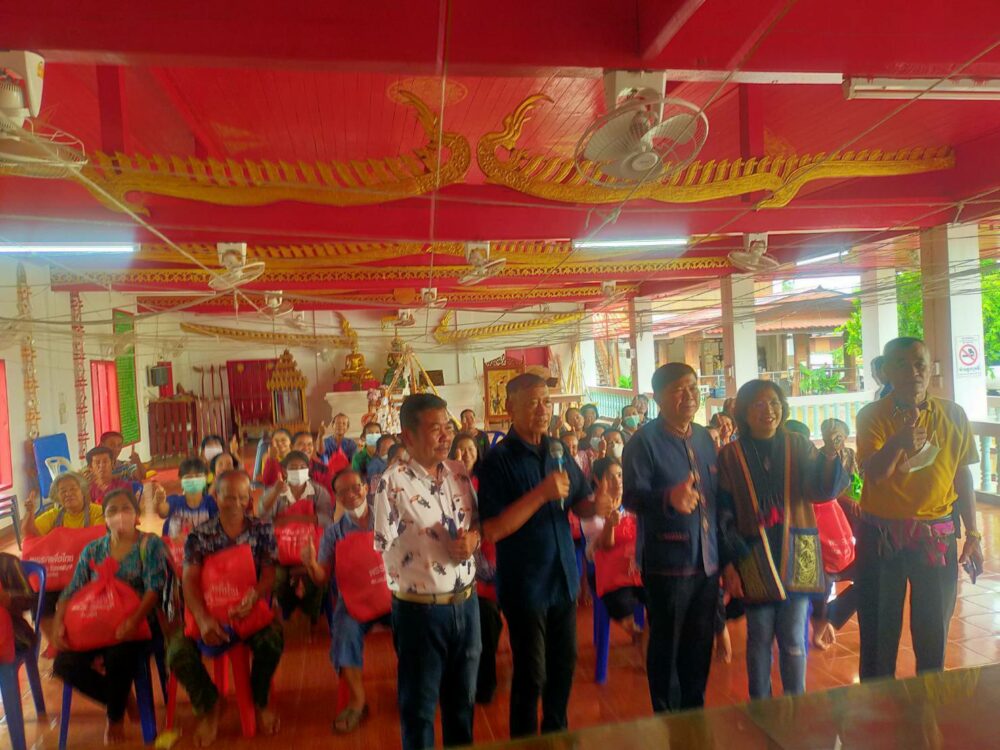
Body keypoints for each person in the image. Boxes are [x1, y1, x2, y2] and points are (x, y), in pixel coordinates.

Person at [478, 373, 607, 737]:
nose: (542, 410)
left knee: (564, 666)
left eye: (547, 402)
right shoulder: (497, 460)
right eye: (533, 402)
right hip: (525, 584)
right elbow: (493, 529)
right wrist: (541, 494)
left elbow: (579, 503)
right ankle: (523, 741)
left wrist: (599, 504)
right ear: (510, 407)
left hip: (563, 575)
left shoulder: (558, 451)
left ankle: (556, 732)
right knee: (532, 674)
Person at [854, 337, 982, 681]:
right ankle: (876, 705)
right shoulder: (872, 416)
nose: (913, 372)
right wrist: (898, 441)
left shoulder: (953, 414)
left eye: (920, 364)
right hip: (881, 535)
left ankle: (928, 705)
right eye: (902, 364)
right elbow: (875, 474)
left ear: (930, 369)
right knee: (878, 635)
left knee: (933, 632)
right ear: (885, 371)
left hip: (936, 536)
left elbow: (962, 475)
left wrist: (973, 533)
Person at [717, 380, 846, 700]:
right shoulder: (730, 455)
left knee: (793, 638)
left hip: (797, 552)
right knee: (759, 637)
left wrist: (830, 454)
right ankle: (761, 706)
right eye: (758, 404)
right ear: (744, 411)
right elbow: (723, 511)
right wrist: (729, 563)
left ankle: (795, 704)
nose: (768, 410)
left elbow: (821, 490)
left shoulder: (798, 445)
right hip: (753, 555)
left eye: (774, 403)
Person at [373, 393, 481, 750]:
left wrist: (473, 540)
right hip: (420, 612)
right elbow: (383, 546)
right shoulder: (392, 483)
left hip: (467, 605)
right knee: (419, 711)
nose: (446, 436)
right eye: (435, 429)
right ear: (409, 435)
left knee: (462, 705)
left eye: (447, 427)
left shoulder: (459, 473)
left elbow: (476, 525)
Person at [621, 363, 725, 712]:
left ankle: (693, 715)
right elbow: (631, 498)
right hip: (668, 564)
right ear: (658, 398)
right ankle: (667, 718)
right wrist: (669, 498)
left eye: (693, 387)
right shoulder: (643, 442)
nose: (689, 395)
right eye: (679, 389)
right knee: (667, 646)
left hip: (706, 561)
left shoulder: (703, 438)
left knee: (699, 646)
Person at [168, 470, 284, 747]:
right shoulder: (199, 535)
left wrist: (255, 595)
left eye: (243, 497)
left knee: (272, 640)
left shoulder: (261, 530)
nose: (236, 503)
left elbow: (269, 573)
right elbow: (189, 580)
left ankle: (259, 700)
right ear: (216, 497)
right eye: (229, 497)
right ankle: (210, 706)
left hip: (248, 609)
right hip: (209, 612)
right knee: (177, 652)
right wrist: (203, 619)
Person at [52, 487, 168, 746]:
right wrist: (59, 622)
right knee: (63, 664)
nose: (119, 515)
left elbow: (155, 588)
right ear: (104, 518)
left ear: (136, 515)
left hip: (139, 622)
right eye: (112, 511)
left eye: (126, 508)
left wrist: (133, 621)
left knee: (119, 654)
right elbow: (72, 589)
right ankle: (122, 699)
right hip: (97, 623)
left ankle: (114, 717)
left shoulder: (149, 545)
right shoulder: (93, 550)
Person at [302, 469, 390, 734]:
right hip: (355, 600)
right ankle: (357, 700)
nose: (351, 495)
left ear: (366, 487)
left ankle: (416, 687)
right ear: (336, 497)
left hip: (391, 594)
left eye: (356, 488)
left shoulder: (387, 518)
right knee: (343, 631)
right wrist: (311, 564)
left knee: (418, 621)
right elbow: (322, 577)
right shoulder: (333, 533)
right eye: (342, 492)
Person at [21, 474, 105, 649]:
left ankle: (86, 642)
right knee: (39, 600)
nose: (68, 494)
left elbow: (100, 538)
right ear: (57, 496)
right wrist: (29, 513)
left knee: (80, 602)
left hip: (88, 574)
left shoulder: (97, 512)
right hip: (59, 576)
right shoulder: (54, 515)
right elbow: (30, 535)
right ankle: (58, 646)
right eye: (63, 491)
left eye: (73, 489)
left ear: (83, 491)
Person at [259, 451, 334, 624]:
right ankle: (287, 610)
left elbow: (326, 520)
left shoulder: (318, 491)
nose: (298, 470)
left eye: (302, 467)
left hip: (311, 550)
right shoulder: (276, 491)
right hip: (281, 552)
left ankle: (311, 615)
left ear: (308, 469)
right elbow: (263, 517)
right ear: (284, 471)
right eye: (293, 467)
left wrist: (287, 519)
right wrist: (275, 492)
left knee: (317, 579)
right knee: (278, 580)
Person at [583, 457, 646, 645]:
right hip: (606, 573)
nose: (617, 481)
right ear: (597, 480)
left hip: (635, 569)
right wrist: (610, 525)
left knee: (660, 594)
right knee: (620, 603)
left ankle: (649, 639)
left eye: (619, 475)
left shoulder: (632, 501)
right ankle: (638, 634)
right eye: (610, 477)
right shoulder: (589, 508)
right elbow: (602, 548)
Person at [154, 457, 218, 539]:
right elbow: (162, 512)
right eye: (188, 477)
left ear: (206, 478)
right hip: (173, 545)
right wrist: (159, 502)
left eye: (198, 476)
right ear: (180, 480)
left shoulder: (210, 502)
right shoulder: (175, 501)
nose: (193, 480)